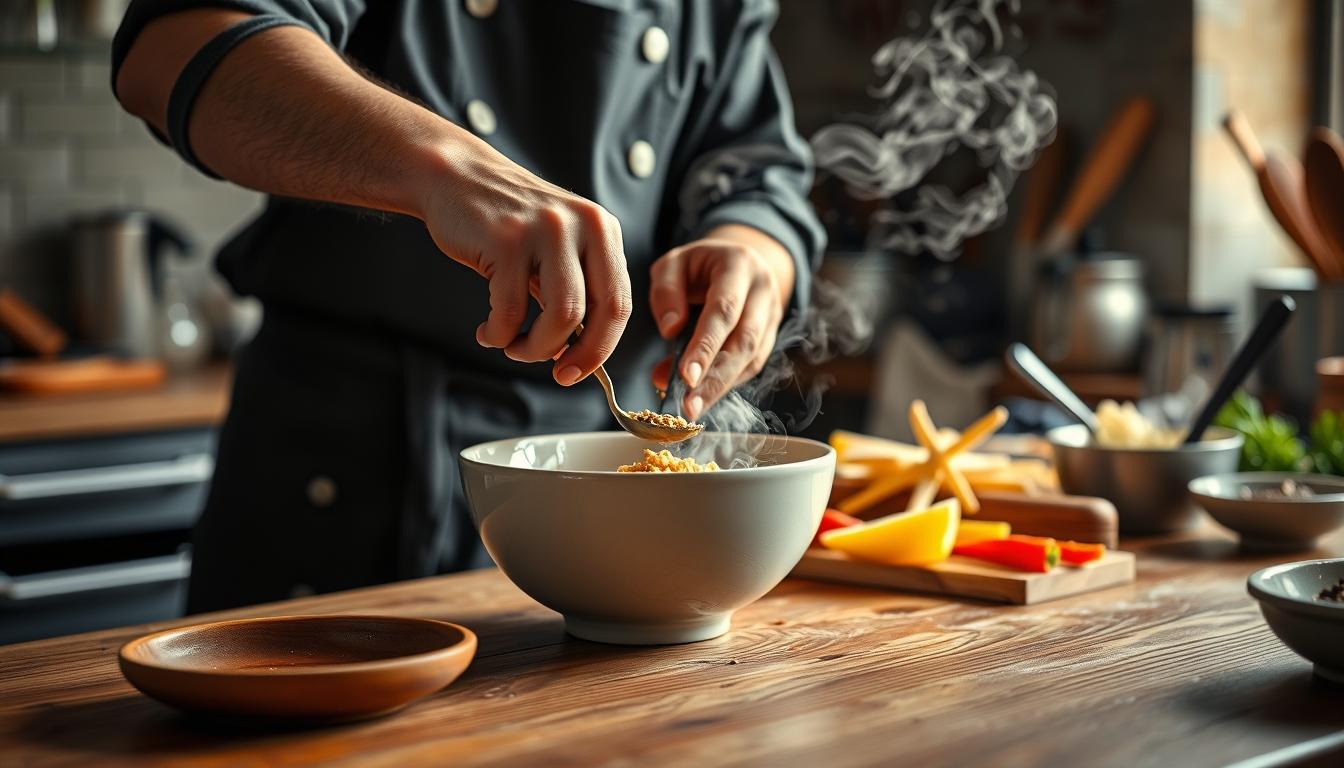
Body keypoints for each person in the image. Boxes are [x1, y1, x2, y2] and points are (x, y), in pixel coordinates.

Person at [112, 0, 825, 613]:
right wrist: (442, 167)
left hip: (600, 494)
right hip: (343, 468)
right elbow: (173, 49)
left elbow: (757, 166)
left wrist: (755, 247)